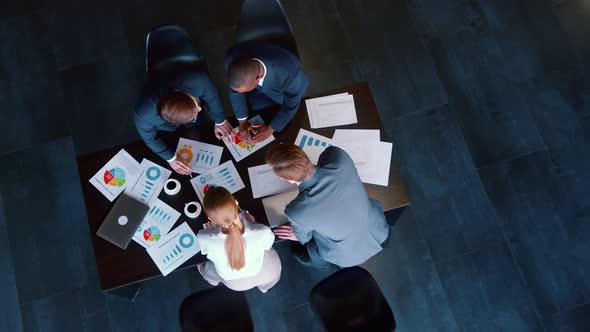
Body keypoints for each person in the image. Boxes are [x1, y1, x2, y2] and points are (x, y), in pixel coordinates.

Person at [266, 144, 389, 268]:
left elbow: (305, 238)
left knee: (311, 248)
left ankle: (322, 265)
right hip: (378, 230)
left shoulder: (296, 211)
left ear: (288, 180)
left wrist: (298, 233)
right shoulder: (338, 157)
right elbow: (327, 155)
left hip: (346, 255)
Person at [134, 68, 234, 175]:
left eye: (195, 101)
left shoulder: (197, 80)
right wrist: (171, 158)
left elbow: (211, 95)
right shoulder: (143, 116)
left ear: (184, 94)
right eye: (193, 117)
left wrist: (220, 121)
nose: (200, 109)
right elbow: (150, 138)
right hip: (163, 125)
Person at [196, 186, 282, 293]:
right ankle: (264, 289)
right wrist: (253, 224)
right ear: (236, 203)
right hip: (269, 272)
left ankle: (213, 280)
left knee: (206, 266)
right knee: (267, 278)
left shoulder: (204, 238)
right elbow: (268, 245)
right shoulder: (262, 231)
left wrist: (210, 233)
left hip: (236, 283)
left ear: (210, 219)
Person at [224, 41, 308, 144]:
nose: (237, 92)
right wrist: (242, 121)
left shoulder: (291, 74)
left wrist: (270, 129)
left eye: (243, 90)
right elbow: (235, 91)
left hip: (281, 92)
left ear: (257, 79)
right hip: (257, 89)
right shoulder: (232, 58)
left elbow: (291, 105)